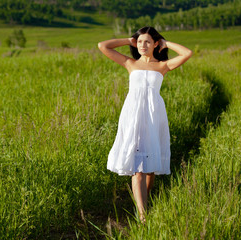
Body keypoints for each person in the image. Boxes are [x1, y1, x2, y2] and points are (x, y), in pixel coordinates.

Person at [98, 26, 192, 222]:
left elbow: (187, 53)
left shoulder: (163, 66)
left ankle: (146, 200)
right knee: (138, 167)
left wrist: (166, 43)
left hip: (154, 116)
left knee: (149, 168)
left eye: (147, 41)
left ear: (156, 43)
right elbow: (102, 46)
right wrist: (128, 40)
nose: (142, 45)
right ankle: (143, 216)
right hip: (133, 116)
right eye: (140, 42)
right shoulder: (130, 63)